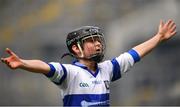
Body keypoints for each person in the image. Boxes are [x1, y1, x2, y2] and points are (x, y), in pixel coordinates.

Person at [1, 19, 177, 106]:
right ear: (76, 49)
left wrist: (158, 37)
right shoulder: (70, 73)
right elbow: (45, 66)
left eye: (99, 40)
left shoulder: (108, 69)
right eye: (92, 41)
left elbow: (134, 54)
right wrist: (23, 63)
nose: (98, 43)